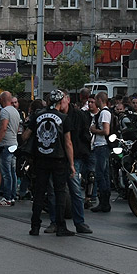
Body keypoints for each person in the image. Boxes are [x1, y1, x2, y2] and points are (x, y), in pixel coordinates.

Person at [24, 89, 75, 237]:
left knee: (39, 193)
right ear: (60, 102)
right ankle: (60, 226)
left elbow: (26, 135)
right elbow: (68, 143)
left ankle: (35, 226)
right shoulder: (64, 118)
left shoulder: (37, 115)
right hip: (58, 159)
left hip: (40, 159)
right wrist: (71, 164)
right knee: (59, 193)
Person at [60, 89, 93, 234]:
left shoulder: (78, 115)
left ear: (67, 99)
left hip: (75, 157)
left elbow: (84, 136)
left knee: (75, 190)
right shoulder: (55, 115)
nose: (59, 104)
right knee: (57, 191)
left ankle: (79, 222)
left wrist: (79, 154)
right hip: (58, 157)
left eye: (61, 101)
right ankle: (56, 222)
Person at [89, 92, 113, 213]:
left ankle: (104, 201)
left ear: (99, 100)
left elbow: (106, 131)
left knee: (100, 174)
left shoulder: (104, 113)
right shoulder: (105, 113)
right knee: (104, 174)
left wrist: (94, 130)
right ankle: (105, 202)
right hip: (102, 146)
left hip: (101, 145)